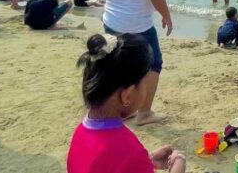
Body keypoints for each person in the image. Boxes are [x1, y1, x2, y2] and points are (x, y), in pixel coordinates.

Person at [67, 33, 188, 173]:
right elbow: (123, 158)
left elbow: (107, 164)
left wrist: (146, 161)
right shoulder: (129, 150)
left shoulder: (80, 133)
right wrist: (179, 165)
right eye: (144, 83)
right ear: (127, 95)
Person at [101, 0, 173, 126]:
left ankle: (124, 109)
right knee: (154, 63)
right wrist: (166, 16)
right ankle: (144, 112)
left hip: (111, 20)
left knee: (122, 66)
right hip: (136, 23)